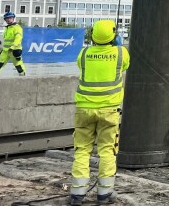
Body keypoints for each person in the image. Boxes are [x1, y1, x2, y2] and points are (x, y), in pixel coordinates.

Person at [69, 20, 130, 205]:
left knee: (82, 151)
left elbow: (81, 66)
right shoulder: (121, 53)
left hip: (84, 110)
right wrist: (114, 47)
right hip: (109, 111)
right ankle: (104, 194)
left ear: (93, 35)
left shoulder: (85, 53)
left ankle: (77, 195)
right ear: (113, 35)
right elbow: (125, 66)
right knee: (107, 152)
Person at [0, 11, 26, 77]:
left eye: (10, 18)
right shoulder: (7, 28)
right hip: (5, 51)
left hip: (14, 50)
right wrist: (3, 49)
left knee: (18, 65)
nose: (8, 19)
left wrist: (13, 47)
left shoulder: (17, 28)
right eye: (7, 18)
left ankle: (23, 77)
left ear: (13, 18)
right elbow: (6, 41)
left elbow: (18, 38)